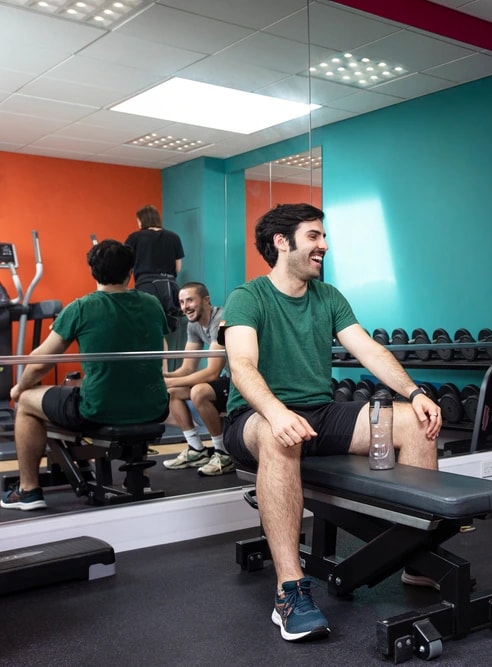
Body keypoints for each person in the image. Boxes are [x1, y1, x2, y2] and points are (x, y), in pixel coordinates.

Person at [223, 203, 440, 643]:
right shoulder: (248, 297)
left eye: (323, 237)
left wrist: (415, 393)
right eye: (314, 237)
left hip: (318, 414)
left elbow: (371, 352)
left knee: (413, 422)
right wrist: (276, 411)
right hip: (254, 417)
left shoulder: (329, 297)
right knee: (278, 436)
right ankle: (290, 592)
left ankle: (419, 556)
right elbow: (243, 365)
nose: (324, 245)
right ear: (282, 242)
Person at [1, 240, 169, 511]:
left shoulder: (81, 308)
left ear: (93, 271)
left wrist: (19, 388)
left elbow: (40, 363)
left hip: (98, 410)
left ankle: (28, 490)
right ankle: (140, 478)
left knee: (28, 403)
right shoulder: (152, 304)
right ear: (130, 271)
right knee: (126, 391)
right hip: (155, 407)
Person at [162, 281, 233, 476]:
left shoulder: (222, 321)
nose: (185, 307)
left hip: (243, 382)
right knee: (173, 392)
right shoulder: (194, 326)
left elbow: (212, 373)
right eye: (182, 302)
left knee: (199, 392)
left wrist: (170, 381)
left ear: (206, 300)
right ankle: (196, 450)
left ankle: (223, 453)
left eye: (190, 300)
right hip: (228, 381)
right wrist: (161, 378)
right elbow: (186, 368)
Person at [125, 204, 184, 328]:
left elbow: (125, 266)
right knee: (165, 329)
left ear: (141, 220)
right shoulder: (174, 237)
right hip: (170, 287)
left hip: (146, 286)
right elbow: (178, 268)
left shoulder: (135, 237)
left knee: (147, 327)